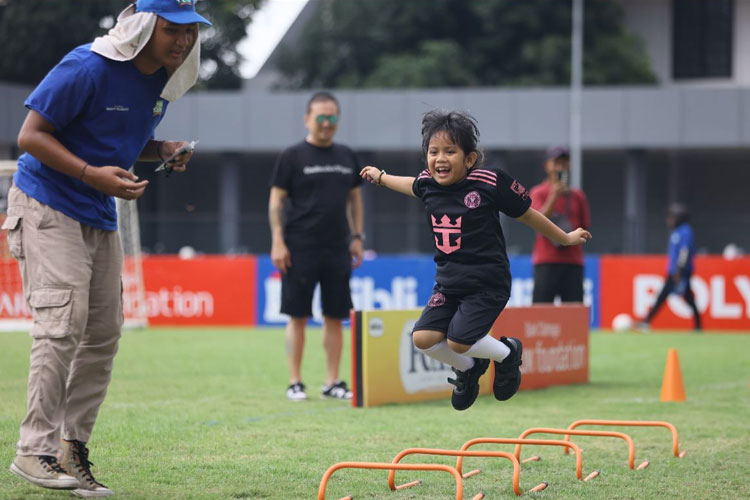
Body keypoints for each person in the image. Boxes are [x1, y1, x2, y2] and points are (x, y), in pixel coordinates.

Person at [2, 1, 210, 496]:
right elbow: (29, 136)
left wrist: (159, 149)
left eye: (191, 32)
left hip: (99, 209)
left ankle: (71, 450)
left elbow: (117, 135)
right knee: (62, 324)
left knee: (103, 332)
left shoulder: (160, 79)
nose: (183, 41)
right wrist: (90, 174)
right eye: (171, 30)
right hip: (47, 202)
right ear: (142, 27)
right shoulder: (85, 66)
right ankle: (34, 451)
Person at [360, 110, 592, 411]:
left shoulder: (489, 182)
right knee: (423, 338)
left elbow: (528, 214)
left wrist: (564, 237)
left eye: (449, 152)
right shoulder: (428, 183)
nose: (440, 159)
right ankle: (469, 370)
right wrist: (380, 177)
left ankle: (508, 353)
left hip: (488, 283)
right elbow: (410, 184)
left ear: (469, 159)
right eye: (433, 152)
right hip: (448, 284)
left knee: (458, 340)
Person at [268, 91, 364, 401]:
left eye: (332, 117)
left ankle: (332, 382)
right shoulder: (292, 155)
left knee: (335, 315)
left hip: (337, 248)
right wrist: (278, 241)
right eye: (321, 117)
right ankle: (295, 382)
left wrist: (357, 237)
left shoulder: (347, 155)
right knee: (297, 315)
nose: (327, 123)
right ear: (307, 119)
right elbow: (276, 201)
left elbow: (355, 200)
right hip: (299, 247)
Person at [529, 146, 591, 304]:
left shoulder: (578, 196)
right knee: (540, 312)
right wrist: (554, 196)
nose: (560, 166)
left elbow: (585, 226)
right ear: (547, 166)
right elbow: (536, 221)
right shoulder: (538, 192)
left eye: (564, 162)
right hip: (546, 260)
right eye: (556, 162)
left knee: (573, 313)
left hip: (572, 261)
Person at [637, 203, 701, 331]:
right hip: (674, 271)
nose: (669, 220)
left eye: (672, 217)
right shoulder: (676, 232)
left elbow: (685, 251)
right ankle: (698, 325)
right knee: (681, 297)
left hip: (679, 272)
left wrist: (679, 270)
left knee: (666, 297)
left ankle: (646, 321)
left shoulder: (685, 231)